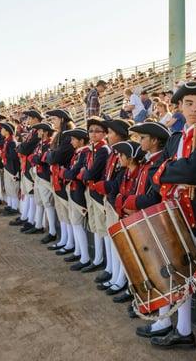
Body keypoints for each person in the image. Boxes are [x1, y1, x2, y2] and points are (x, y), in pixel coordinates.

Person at [148, 82, 196, 361]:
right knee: (179, 275)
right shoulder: (175, 137)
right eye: (189, 103)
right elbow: (156, 170)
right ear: (180, 106)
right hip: (173, 213)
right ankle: (182, 331)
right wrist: (170, 170)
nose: (194, 109)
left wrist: (168, 170)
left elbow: (193, 171)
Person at [87, 118, 131, 284]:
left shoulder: (124, 153)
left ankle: (121, 279)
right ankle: (113, 273)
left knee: (119, 243)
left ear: (120, 135)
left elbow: (119, 181)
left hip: (117, 203)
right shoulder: (113, 152)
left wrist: (103, 186)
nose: (108, 135)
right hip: (110, 200)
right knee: (112, 241)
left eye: (111, 133)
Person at [81, 117, 111, 276]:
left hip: (98, 193)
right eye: (91, 131)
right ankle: (98, 258)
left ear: (105, 134)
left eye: (97, 131)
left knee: (102, 228)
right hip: (90, 191)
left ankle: (103, 262)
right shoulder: (92, 149)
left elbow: (91, 172)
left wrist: (84, 174)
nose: (93, 134)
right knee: (95, 227)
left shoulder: (103, 150)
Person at [61, 128, 92, 271]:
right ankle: (79, 252)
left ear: (81, 141)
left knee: (78, 224)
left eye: (74, 139)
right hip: (74, 190)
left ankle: (85, 257)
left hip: (79, 192)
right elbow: (72, 172)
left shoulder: (84, 153)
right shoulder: (79, 153)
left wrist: (64, 172)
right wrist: (68, 173)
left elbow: (72, 173)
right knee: (75, 223)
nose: (71, 141)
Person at [45, 109, 76, 253]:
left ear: (62, 120)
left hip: (64, 178)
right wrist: (51, 155)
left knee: (67, 213)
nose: (53, 122)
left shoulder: (67, 136)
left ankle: (70, 243)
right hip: (57, 176)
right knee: (61, 212)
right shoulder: (59, 136)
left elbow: (55, 157)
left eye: (55, 119)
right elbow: (51, 156)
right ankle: (64, 239)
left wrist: (51, 155)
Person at [12, 110, 43, 233]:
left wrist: (21, 148)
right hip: (27, 164)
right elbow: (23, 145)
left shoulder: (37, 133)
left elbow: (26, 148)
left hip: (31, 165)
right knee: (28, 193)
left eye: (30, 118)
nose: (28, 120)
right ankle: (26, 217)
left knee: (31, 193)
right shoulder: (32, 131)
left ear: (36, 119)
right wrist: (21, 147)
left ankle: (32, 220)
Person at [30, 123, 58, 244]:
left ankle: (52, 231)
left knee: (47, 203)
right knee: (40, 201)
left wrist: (36, 158)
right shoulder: (41, 144)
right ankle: (38, 225)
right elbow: (35, 157)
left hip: (45, 176)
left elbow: (41, 159)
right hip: (39, 175)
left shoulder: (49, 144)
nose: (38, 133)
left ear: (46, 132)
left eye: (40, 130)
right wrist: (36, 158)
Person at [0, 122, 20, 216]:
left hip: (13, 168)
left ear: (7, 131)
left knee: (13, 188)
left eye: (3, 129)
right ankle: (10, 205)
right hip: (8, 167)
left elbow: (13, 156)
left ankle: (14, 207)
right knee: (8, 188)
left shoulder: (12, 142)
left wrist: (2, 154)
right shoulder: (7, 140)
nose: (1, 130)